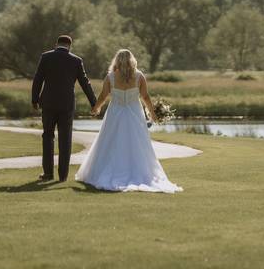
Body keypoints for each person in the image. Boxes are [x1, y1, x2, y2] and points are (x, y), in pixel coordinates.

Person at [74, 49, 182, 193]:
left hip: (115, 113)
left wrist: (96, 108)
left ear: (117, 61)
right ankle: (139, 172)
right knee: (137, 143)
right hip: (134, 115)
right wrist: (152, 112)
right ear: (132, 60)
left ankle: (110, 170)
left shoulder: (111, 77)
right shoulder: (139, 76)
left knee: (111, 142)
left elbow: (102, 97)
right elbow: (145, 97)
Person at [31, 35, 97, 182]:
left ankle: (48, 174)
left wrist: (34, 99)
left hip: (48, 103)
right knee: (65, 139)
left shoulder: (46, 57)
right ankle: (63, 176)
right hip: (67, 105)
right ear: (70, 46)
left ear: (56, 44)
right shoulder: (76, 60)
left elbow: (38, 79)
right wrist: (94, 103)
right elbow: (85, 83)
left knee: (48, 136)